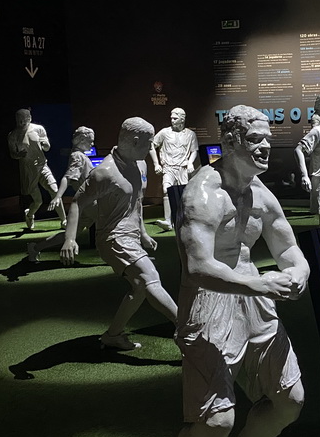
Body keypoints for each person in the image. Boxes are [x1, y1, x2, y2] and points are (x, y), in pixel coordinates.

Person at [167, 105, 309, 437]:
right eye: (255, 139)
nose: (266, 146)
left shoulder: (261, 194)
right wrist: (260, 282)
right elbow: (198, 267)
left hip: (254, 301)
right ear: (230, 142)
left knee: (289, 400)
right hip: (212, 303)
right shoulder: (203, 194)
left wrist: (299, 271)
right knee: (215, 422)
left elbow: (288, 248)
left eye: (268, 138)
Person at [60, 118, 177, 351]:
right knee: (149, 276)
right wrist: (69, 238)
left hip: (131, 237)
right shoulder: (104, 173)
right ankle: (186, 325)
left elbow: (137, 203)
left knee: (139, 287)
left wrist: (142, 232)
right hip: (112, 238)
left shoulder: (140, 164)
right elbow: (76, 204)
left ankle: (113, 335)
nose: (151, 148)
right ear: (134, 141)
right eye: (148, 143)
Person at [28, 126, 96, 262]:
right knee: (112, 223)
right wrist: (58, 196)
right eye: (90, 141)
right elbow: (68, 177)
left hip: (88, 202)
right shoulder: (77, 156)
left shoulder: (80, 156)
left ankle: (36, 247)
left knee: (70, 233)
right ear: (81, 140)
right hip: (89, 202)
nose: (92, 144)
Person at [7, 108, 66, 230]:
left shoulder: (38, 129)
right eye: (19, 120)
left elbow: (47, 147)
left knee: (54, 191)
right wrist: (19, 155)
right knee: (38, 201)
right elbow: (13, 154)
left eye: (24, 120)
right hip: (27, 169)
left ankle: (64, 220)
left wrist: (44, 144)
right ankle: (29, 214)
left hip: (42, 165)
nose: (22, 123)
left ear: (29, 119)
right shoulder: (13, 135)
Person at [149, 107, 198, 231]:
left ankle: (186, 220)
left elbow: (194, 150)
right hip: (169, 167)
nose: (172, 120)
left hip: (183, 168)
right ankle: (168, 221)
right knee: (167, 190)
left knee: (185, 194)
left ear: (182, 119)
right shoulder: (165, 133)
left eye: (175, 118)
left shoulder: (190, 134)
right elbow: (151, 146)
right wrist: (156, 163)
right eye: (171, 118)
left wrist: (191, 163)